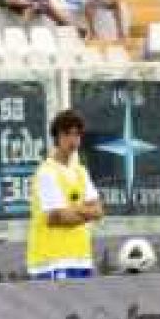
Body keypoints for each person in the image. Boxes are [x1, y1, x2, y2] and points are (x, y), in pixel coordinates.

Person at [26, 109, 103, 280]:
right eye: (67, 134)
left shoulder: (81, 172)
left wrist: (73, 209)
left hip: (81, 260)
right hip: (52, 262)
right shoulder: (47, 172)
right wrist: (85, 211)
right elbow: (56, 218)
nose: (72, 140)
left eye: (77, 134)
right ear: (57, 137)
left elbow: (98, 211)